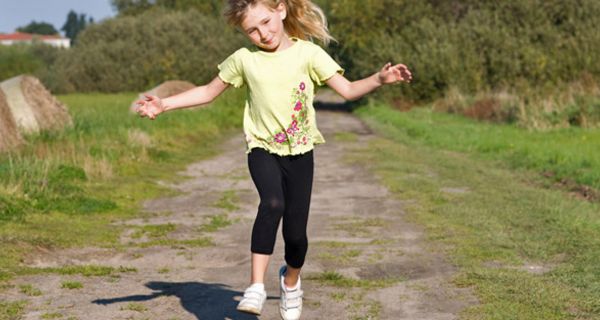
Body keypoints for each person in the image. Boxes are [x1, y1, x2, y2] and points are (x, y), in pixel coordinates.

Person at [136, 0, 412, 319]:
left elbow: (347, 90)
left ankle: (290, 281)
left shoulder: (308, 53)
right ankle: (255, 285)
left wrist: (379, 79)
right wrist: (164, 105)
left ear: (280, 10)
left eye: (266, 22)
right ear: (243, 32)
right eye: (252, 30)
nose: (263, 33)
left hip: (300, 152)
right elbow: (207, 92)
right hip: (262, 147)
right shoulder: (243, 60)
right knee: (272, 204)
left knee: (296, 235)